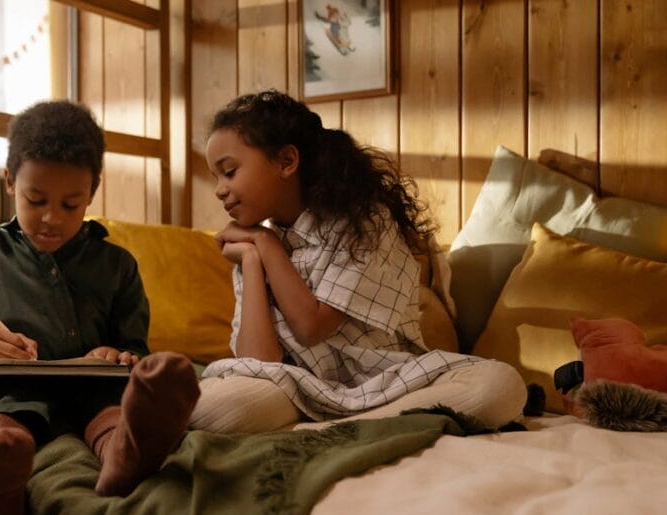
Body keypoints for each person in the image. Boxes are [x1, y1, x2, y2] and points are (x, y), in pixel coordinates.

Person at [0, 100, 199, 515]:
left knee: (113, 407)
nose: (51, 218)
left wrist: (119, 354)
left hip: (91, 387)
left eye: (71, 205)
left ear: (92, 193)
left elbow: (133, 346)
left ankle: (122, 457)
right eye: (36, 200)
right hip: (7, 390)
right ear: (10, 181)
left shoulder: (118, 265)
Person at [189, 89, 526, 434]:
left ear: (287, 162)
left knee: (500, 385)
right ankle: (360, 428)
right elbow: (257, 364)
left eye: (229, 171)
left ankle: (340, 429)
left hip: (388, 385)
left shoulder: (363, 222)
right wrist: (250, 259)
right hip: (296, 389)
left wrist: (266, 243)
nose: (219, 189)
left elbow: (311, 327)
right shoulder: (248, 247)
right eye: (216, 177)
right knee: (210, 409)